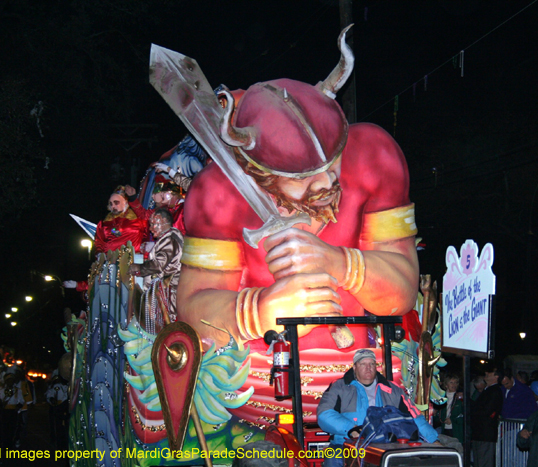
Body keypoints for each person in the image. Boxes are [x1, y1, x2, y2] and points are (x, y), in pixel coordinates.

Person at [175, 28, 421, 428]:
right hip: (257, 393)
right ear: (257, 173)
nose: (325, 184)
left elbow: (402, 292)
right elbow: (193, 308)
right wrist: (261, 310)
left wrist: (339, 263)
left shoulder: (375, 155)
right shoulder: (217, 190)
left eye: (332, 164)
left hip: (362, 382)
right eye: (304, 176)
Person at [317, 349, 443, 467]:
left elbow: (415, 416)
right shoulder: (340, 387)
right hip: (346, 444)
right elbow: (324, 414)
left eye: (372, 364)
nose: (368, 368)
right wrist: (350, 429)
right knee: (333, 458)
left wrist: (433, 439)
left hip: (385, 445)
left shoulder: (393, 389)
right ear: (354, 367)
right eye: (363, 364)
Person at [130, 209, 184, 326]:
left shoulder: (170, 239)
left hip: (168, 295)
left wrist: (139, 268)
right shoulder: (168, 238)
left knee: (167, 327)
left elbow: (159, 264)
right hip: (164, 293)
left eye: (153, 224)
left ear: (164, 221)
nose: (150, 229)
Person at [94, 185, 147, 253]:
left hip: (133, 260)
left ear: (125, 202)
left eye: (116, 203)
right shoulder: (104, 223)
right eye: (111, 204)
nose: (113, 206)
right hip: (110, 260)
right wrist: (99, 256)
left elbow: (147, 239)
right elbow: (99, 243)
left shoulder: (137, 219)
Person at [471, 367, 504, 467]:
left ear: (496, 376)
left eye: (489, 372)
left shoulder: (494, 391)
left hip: (485, 433)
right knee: (479, 461)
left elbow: (486, 411)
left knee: (484, 462)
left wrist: (470, 405)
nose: (486, 372)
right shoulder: (488, 390)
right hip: (480, 433)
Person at [434, 373, 464, 444]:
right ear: (446, 385)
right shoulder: (441, 397)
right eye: (451, 382)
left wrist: (452, 421)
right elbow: (437, 417)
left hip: (456, 431)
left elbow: (464, 415)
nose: (454, 385)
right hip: (444, 430)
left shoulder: (461, 397)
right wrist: (435, 414)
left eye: (456, 382)